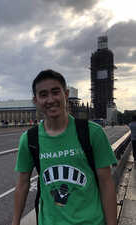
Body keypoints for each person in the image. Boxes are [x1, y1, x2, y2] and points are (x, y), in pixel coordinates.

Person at [12, 69, 117, 225]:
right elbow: (22, 185)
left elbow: (106, 183)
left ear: (66, 94)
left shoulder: (92, 133)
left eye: (55, 92)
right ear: (35, 100)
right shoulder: (29, 139)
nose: (50, 99)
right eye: (43, 95)